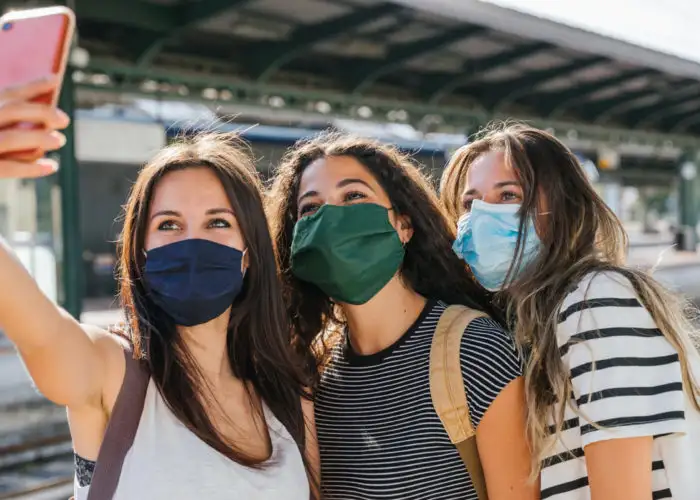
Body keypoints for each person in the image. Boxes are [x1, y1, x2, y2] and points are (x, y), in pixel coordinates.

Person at [0, 78, 319, 499]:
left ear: (248, 255)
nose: (191, 242)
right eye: (168, 225)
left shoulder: (290, 398)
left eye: (217, 223)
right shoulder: (111, 370)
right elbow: (39, 331)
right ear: (141, 252)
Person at [267, 131, 538, 500]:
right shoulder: (312, 374)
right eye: (311, 208)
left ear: (404, 225)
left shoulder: (473, 350)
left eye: (353, 197)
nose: (332, 219)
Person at [441, 122, 700, 500]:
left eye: (509, 195)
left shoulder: (597, 301)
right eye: (470, 203)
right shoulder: (543, 316)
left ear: (562, 207)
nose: (482, 215)